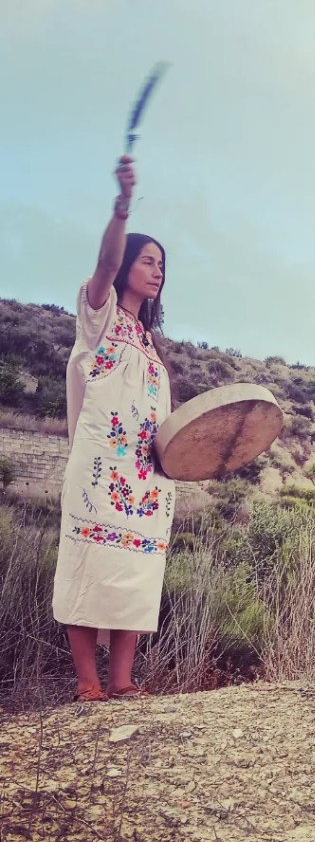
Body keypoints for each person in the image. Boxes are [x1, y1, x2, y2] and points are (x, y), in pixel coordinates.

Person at [52, 155, 176, 702]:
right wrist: (123, 204)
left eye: (162, 264)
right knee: (89, 560)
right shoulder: (99, 315)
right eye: (147, 260)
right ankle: (87, 682)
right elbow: (102, 262)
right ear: (126, 264)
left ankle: (122, 680)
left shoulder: (150, 344)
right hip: (100, 467)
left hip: (146, 476)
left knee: (136, 568)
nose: (156, 270)